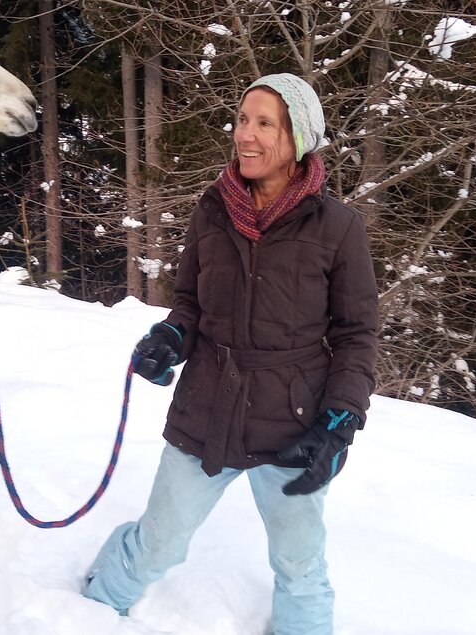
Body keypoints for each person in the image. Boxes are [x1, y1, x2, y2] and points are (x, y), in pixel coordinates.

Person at [82, 73, 379, 634]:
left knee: (300, 564)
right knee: (158, 543)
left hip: (294, 422)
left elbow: (356, 334)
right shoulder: (212, 211)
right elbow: (191, 303)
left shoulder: (338, 228)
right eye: (243, 119)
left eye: (265, 123)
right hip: (207, 407)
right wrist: (171, 337)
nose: (246, 135)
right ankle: (87, 610)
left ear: (298, 140)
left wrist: (340, 421)